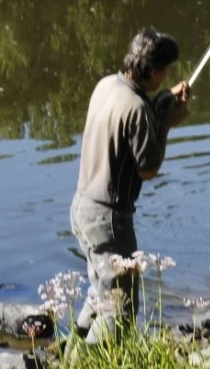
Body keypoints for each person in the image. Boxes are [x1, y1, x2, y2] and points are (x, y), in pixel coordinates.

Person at [70, 27, 190, 344]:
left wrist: (162, 101)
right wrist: (165, 124)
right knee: (119, 309)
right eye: (164, 73)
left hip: (82, 209)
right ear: (151, 70)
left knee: (100, 294)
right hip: (109, 220)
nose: (165, 78)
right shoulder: (136, 108)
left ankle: (67, 353)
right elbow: (148, 168)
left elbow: (129, 120)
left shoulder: (108, 85)